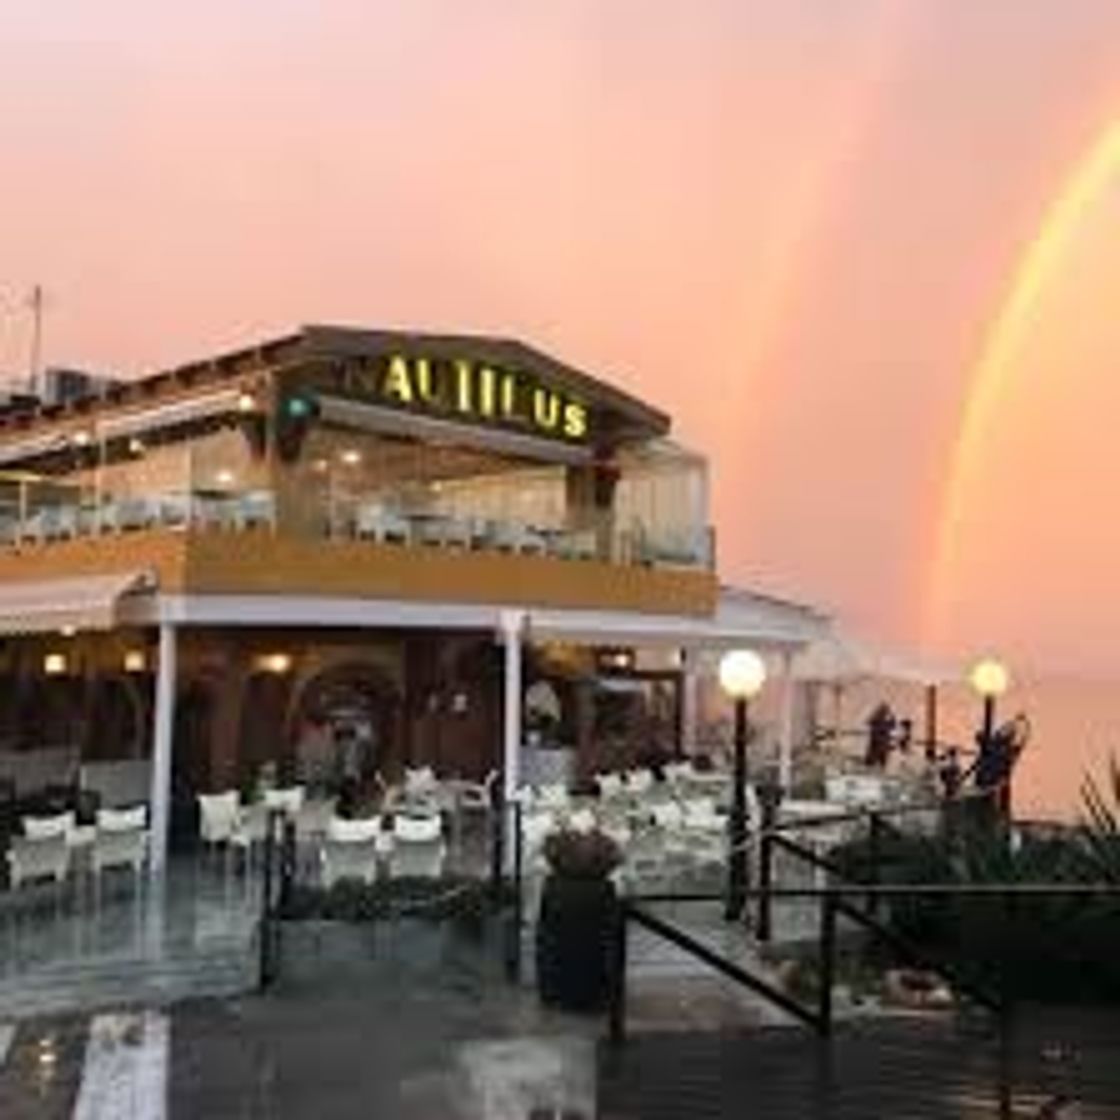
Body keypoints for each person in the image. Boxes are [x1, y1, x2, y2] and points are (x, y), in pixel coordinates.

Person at [865, 703, 896, 769]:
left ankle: (877, 765)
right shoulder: (878, 720)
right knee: (875, 760)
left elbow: (892, 726)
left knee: (879, 760)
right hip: (879, 743)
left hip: (881, 743)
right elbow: (890, 726)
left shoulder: (878, 720)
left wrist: (892, 718)